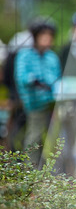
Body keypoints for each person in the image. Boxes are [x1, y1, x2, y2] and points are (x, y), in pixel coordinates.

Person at [14, 18, 61, 167]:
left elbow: (57, 78)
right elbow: (21, 77)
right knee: (34, 137)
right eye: (43, 35)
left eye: (49, 35)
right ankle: (30, 169)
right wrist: (35, 81)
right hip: (34, 105)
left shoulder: (52, 57)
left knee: (55, 139)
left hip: (52, 104)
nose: (47, 39)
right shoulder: (25, 55)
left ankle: (53, 171)